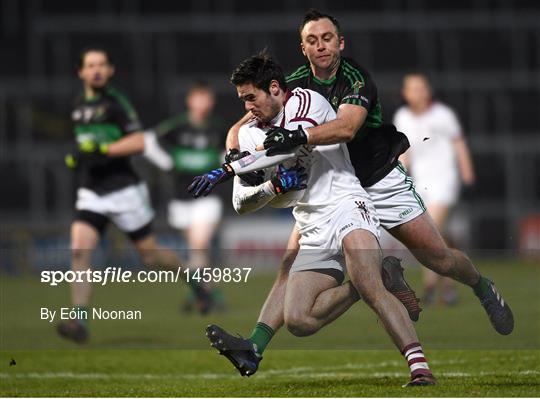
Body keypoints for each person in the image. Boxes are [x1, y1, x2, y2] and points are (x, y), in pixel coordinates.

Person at [211, 8, 513, 380]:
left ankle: (482, 287)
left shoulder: (355, 79)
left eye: (326, 38)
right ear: (302, 47)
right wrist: (232, 150)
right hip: (331, 181)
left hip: (376, 179)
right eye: (311, 40)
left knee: (438, 257)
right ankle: (255, 346)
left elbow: (347, 128)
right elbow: (251, 114)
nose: (320, 46)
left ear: (340, 42)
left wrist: (294, 139)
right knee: (290, 265)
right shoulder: (292, 82)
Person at [189, 52, 436, 387]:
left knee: (367, 283)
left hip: (347, 203)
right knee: (299, 320)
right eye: (242, 99)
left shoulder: (309, 100)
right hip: (311, 223)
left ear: (275, 88)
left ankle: (420, 369)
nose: (247, 107)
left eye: (251, 98)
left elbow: (291, 145)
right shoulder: (248, 133)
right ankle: (374, 280)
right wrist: (270, 186)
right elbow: (240, 204)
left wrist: (230, 167)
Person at [58, 48, 211, 343]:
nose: (97, 70)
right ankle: (79, 320)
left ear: (111, 70)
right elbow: (86, 144)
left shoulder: (116, 103)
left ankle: (194, 280)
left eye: (102, 64)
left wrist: (102, 150)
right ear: (81, 72)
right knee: (79, 250)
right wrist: (78, 156)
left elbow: (139, 142)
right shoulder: (77, 105)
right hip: (92, 191)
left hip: (125, 190)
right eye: (91, 65)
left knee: (150, 256)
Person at [394, 73, 476, 305]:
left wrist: (467, 170)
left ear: (428, 91)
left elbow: (458, 144)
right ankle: (450, 286)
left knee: (429, 232)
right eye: (413, 89)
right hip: (421, 182)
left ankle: (429, 288)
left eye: (421, 88)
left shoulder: (443, 115)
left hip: (445, 180)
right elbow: (405, 152)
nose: (418, 93)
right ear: (405, 93)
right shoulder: (403, 117)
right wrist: (399, 175)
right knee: (441, 237)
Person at [151, 81, 227, 311]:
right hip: (180, 198)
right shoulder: (177, 127)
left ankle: (201, 292)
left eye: (207, 98)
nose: (203, 103)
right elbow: (149, 140)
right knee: (196, 250)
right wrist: (165, 162)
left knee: (199, 243)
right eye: (199, 97)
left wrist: (223, 168)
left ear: (211, 102)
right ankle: (205, 291)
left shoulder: (218, 128)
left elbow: (229, 152)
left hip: (208, 197)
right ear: (190, 100)